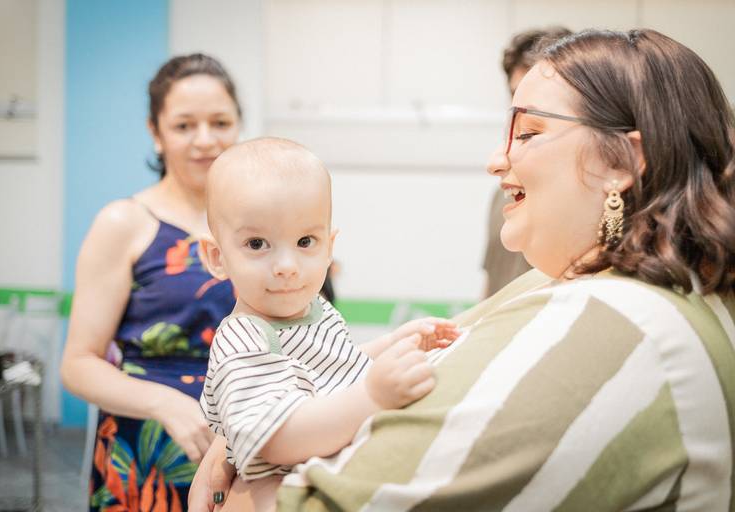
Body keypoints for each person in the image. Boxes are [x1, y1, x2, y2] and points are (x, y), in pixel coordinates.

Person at [190, 28, 735, 511]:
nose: (496, 160)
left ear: (621, 161)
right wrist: (245, 434)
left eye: (528, 133)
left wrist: (250, 480)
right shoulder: (571, 281)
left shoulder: (618, 326)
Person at [197, 137, 460, 497]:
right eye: (257, 244)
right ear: (217, 257)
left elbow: (332, 368)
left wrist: (393, 344)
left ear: (329, 248)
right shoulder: (244, 340)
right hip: (282, 490)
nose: (287, 266)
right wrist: (372, 397)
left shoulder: (315, 310)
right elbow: (278, 439)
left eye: (305, 241)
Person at [60, 53, 243, 511]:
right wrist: (167, 404)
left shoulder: (256, 222)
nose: (205, 139)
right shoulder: (124, 222)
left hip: (246, 449)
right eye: (184, 125)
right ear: (156, 133)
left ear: (238, 125)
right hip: (148, 452)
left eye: (220, 122)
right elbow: (78, 364)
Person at [482, 27, 572, 297]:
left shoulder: (579, 201)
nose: (520, 107)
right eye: (515, 94)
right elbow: (493, 282)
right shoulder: (502, 195)